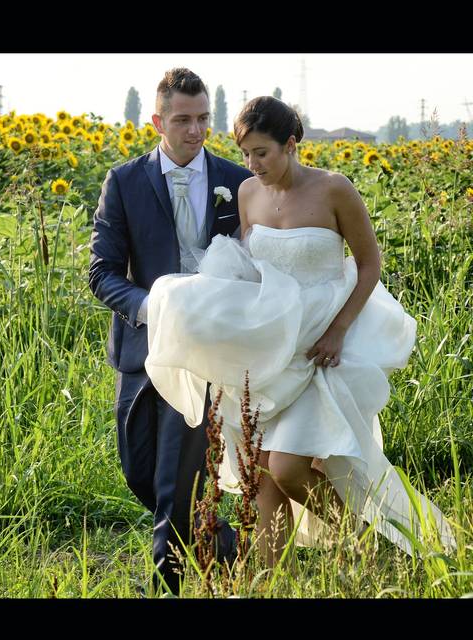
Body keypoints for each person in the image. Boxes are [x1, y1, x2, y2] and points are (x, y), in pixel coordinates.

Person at [143, 95, 456, 568]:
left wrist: (338, 330)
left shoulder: (335, 189)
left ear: (291, 144)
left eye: (262, 153)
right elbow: (253, 270)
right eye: (245, 153)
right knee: (262, 475)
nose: (252, 164)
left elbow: (369, 264)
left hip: (321, 345)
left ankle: (367, 541)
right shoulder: (249, 194)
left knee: (289, 466)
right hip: (273, 346)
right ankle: (274, 582)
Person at [89, 68, 253, 594]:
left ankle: (167, 584)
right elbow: (102, 272)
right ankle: (223, 542)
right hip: (144, 346)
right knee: (140, 472)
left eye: (204, 118)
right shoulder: (125, 181)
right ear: (158, 121)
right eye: (183, 120)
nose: (196, 130)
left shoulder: (237, 181)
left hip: (207, 352)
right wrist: (153, 306)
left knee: (175, 481)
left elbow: (255, 263)